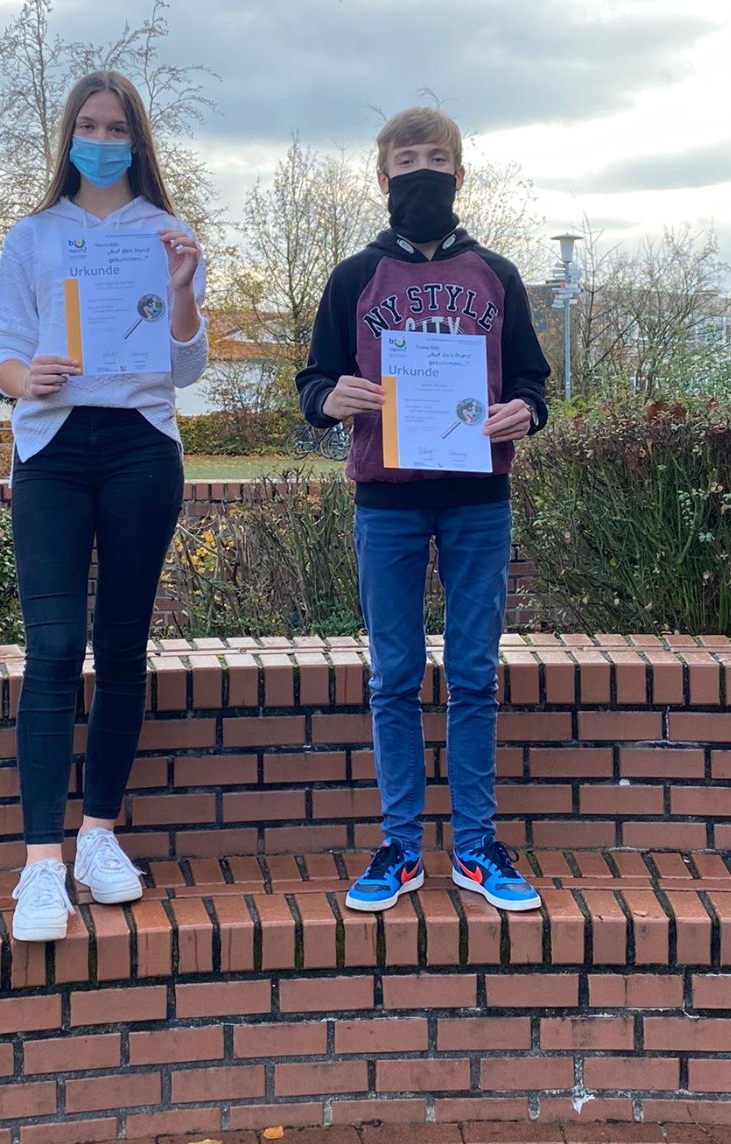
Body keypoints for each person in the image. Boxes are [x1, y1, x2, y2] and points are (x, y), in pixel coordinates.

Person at [296, 106, 549, 915]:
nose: (422, 174)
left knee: (474, 675)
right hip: (388, 503)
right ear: (383, 179)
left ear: (460, 175)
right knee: (395, 678)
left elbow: (533, 382)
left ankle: (474, 848)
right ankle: (401, 848)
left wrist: (526, 412)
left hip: (479, 501)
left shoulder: (497, 276)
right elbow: (313, 382)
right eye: (407, 162)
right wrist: (330, 398)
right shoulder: (353, 278)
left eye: (436, 160)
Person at [0, 70, 207, 942]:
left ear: (137, 139)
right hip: (51, 447)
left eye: (117, 128)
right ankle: (42, 862)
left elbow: (185, 368)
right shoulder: (33, 235)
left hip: (141, 448)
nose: (103, 140)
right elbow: (3, 349)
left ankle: (99, 835)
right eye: (89, 124)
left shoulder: (167, 235)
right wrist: (23, 377)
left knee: (121, 648)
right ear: (69, 136)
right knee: (52, 647)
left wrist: (182, 287)